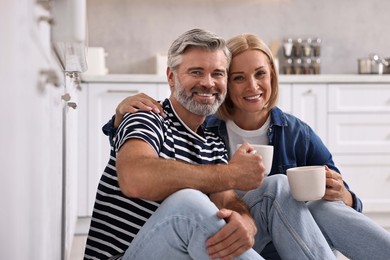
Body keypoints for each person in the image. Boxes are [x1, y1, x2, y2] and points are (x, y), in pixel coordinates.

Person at [108, 33, 390, 259]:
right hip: (172, 241)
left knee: (286, 189)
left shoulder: (280, 135)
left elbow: (228, 201)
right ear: (171, 77)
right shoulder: (172, 120)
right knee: (189, 202)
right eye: (238, 77)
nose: (251, 86)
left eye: (216, 73)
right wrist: (119, 117)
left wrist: (248, 221)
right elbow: (136, 172)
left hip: (270, 239)